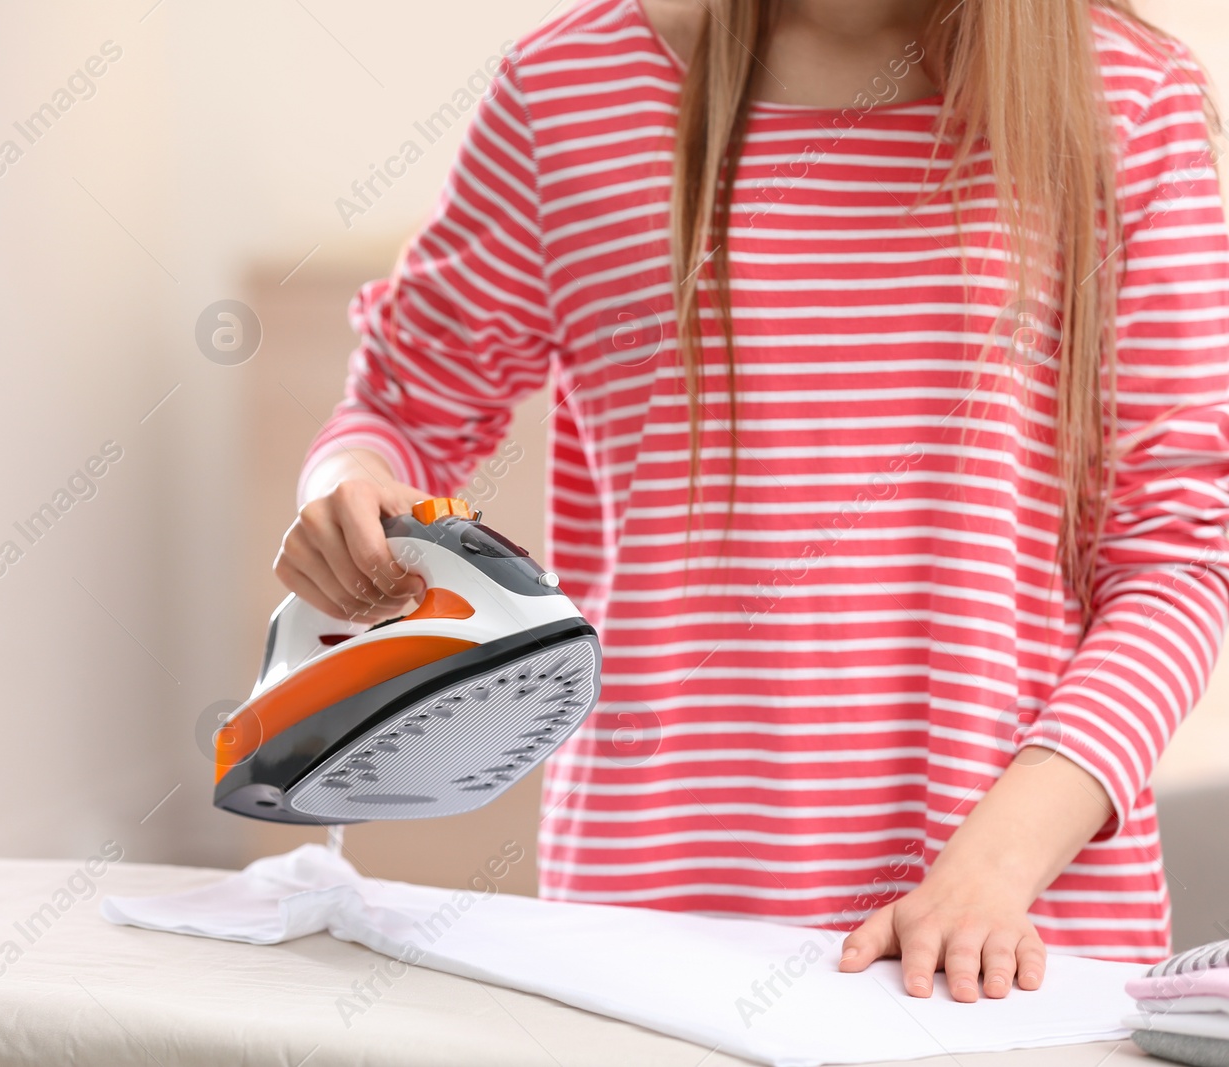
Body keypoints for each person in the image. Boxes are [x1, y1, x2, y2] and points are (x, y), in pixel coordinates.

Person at [275, 0, 1229, 1002]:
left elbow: (1178, 560)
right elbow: (399, 406)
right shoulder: (565, 91)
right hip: (646, 926)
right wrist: (346, 494)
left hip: (1016, 941)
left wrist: (991, 866)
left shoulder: (1124, 95)